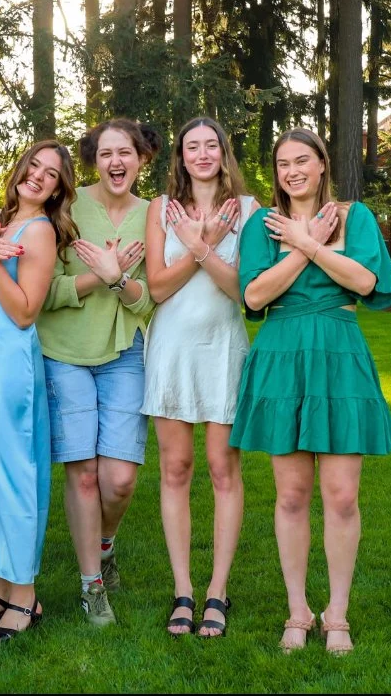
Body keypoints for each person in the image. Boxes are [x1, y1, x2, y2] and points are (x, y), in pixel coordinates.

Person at [232, 128, 391, 656]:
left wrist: (306, 242)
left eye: (302, 160)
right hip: (282, 355)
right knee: (291, 494)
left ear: (323, 163)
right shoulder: (263, 225)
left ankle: (338, 614)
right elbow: (254, 295)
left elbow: (365, 282)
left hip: (338, 353)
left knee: (343, 495)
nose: (292, 172)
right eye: (283, 164)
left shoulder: (355, 217)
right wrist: (307, 246)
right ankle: (298, 610)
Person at [0, 139, 79, 644]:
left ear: (57, 190)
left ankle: (25, 596)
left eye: (51, 174)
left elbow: (25, 311)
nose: (38, 176)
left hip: (6, 366)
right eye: (34, 165)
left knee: (11, 474)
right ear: (20, 168)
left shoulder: (40, 232)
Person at [38, 117, 159, 626]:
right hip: (64, 352)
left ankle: (105, 546)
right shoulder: (66, 206)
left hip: (125, 352)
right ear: (94, 160)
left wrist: (120, 282)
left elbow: (151, 299)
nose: (116, 162)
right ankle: (92, 586)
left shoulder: (154, 216)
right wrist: (100, 276)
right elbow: (45, 292)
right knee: (84, 474)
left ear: (141, 158)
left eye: (125, 152)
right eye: (106, 153)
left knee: (120, 479)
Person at [141, 116, 257, 637]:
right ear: (181, 157)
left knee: (222, 469)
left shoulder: (248, 211)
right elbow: (158, 288)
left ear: (223, 153)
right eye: (193, 146)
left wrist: (207, 245)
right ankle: (184, 590)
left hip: (224, 350)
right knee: (176, 468)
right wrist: (196, 242)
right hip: (172, 351)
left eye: (212, 145)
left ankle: (218, 590)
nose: (203, 154)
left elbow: (244, 292)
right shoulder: (161, 210)